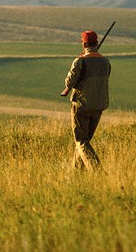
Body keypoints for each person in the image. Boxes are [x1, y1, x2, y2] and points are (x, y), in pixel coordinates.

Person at [60, 30, 111, 170]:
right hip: (99, 105)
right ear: (96, 43)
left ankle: (96, 169)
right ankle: (76, 172)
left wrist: (80, 59)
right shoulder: (105, 61)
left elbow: (69, 82)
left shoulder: (80, 61)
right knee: (85, 141)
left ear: (84, 43)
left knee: (80, 140)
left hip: (82, 105)